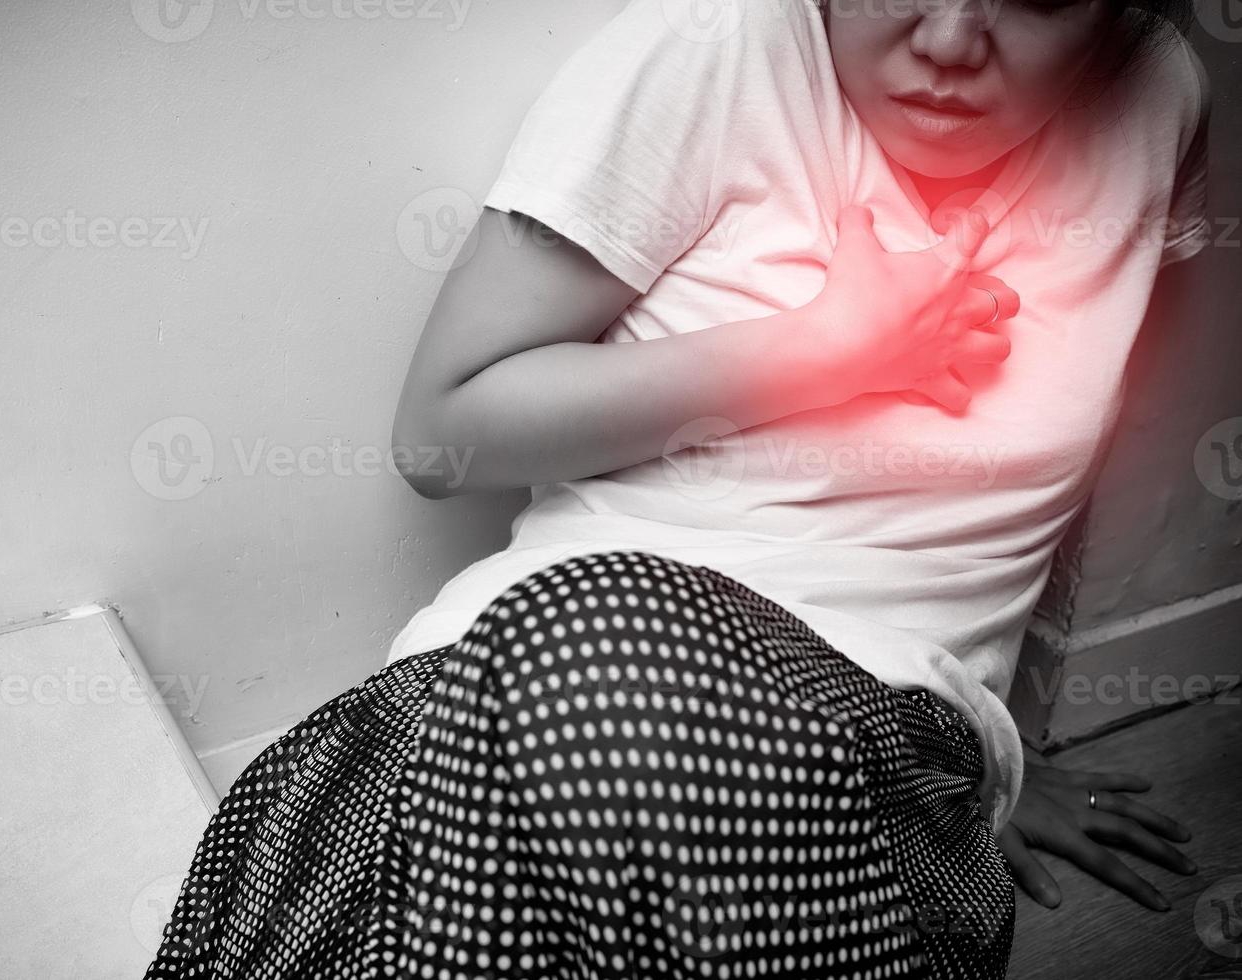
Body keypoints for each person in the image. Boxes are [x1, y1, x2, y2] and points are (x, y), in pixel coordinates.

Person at [145, 1, 1211, 977]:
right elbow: (442, 436)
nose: (946, 41)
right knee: (584, 662)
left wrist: (1002, 751)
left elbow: (1070, 466)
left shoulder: (1155, 96)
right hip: (524, 689)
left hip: (863, 759)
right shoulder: (714, 54)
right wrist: (833, 350)